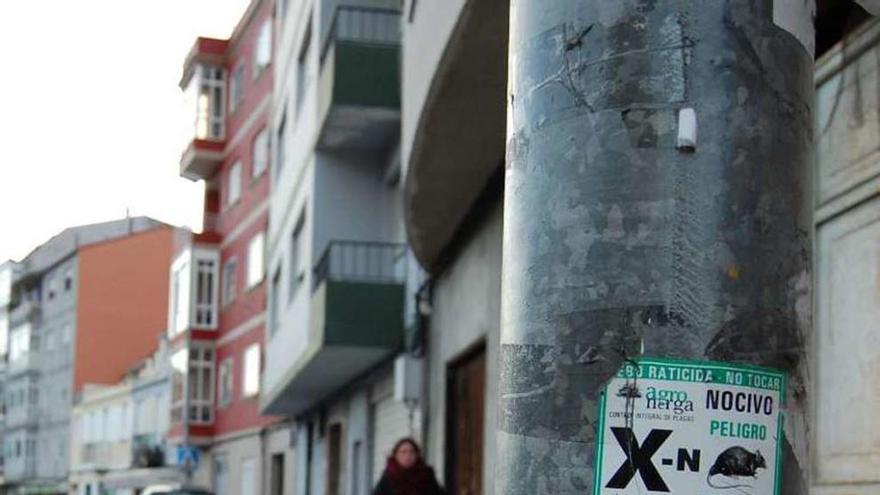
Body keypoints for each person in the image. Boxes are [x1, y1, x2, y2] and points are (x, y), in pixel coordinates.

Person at [373, 438, 444, 495]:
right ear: (395, 455)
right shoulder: (388, 476)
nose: (408, 456)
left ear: (417, 455)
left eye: (412, 452)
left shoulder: (426, 475)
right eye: (403, 452)